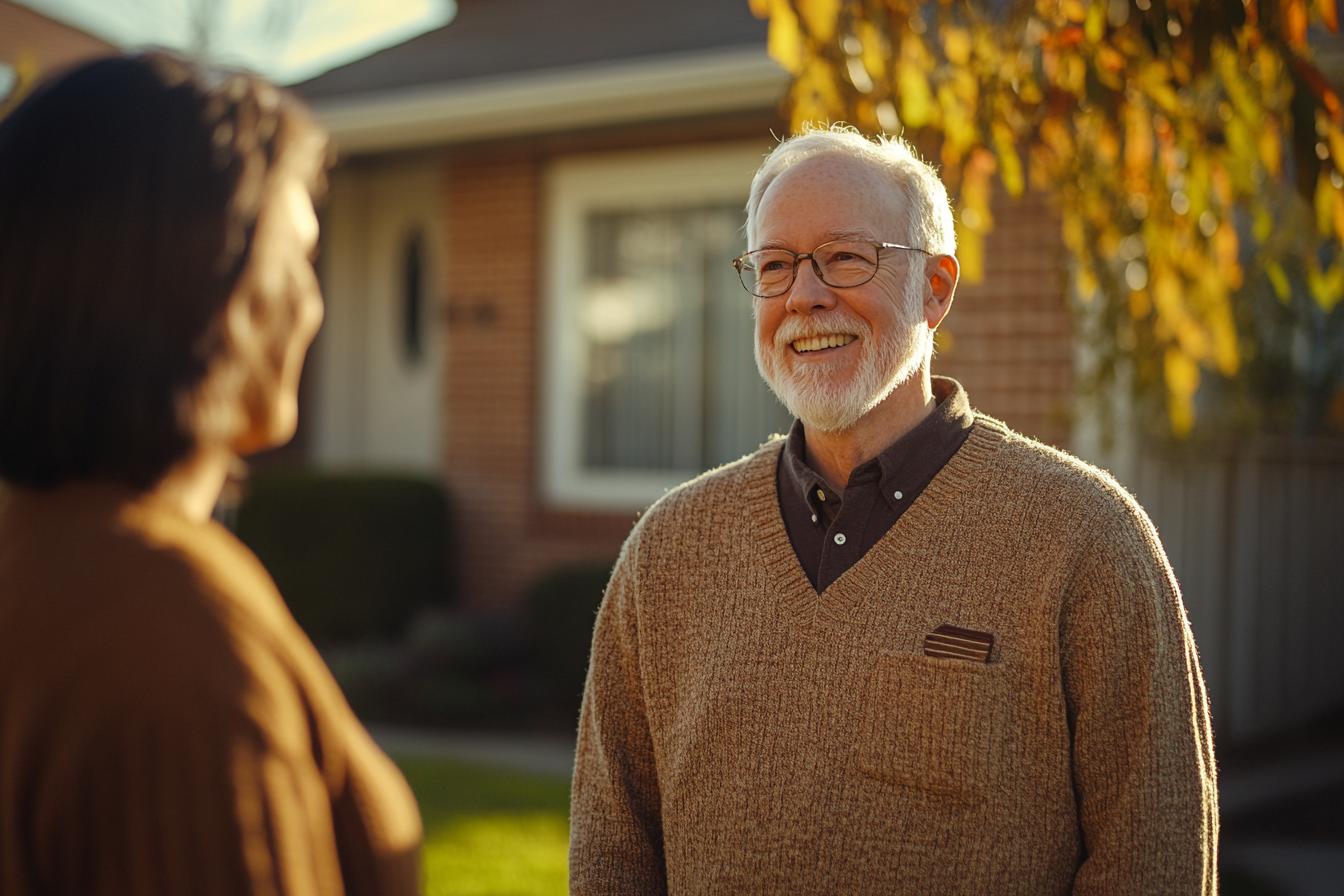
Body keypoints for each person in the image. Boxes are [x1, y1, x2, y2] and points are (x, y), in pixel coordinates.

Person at [569, 125, 1218, 894]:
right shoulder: (668, 551)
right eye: (775, 266)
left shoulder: (1084, 538)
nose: (805, 296)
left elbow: (1156, 857)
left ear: (935, 289)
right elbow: (612, 855)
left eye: (845, 257)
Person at [0, 54, 421, 894]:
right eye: (298, 256)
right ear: (204, 283)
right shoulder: (160, 621)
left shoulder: (39, 552)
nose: (313, 303)